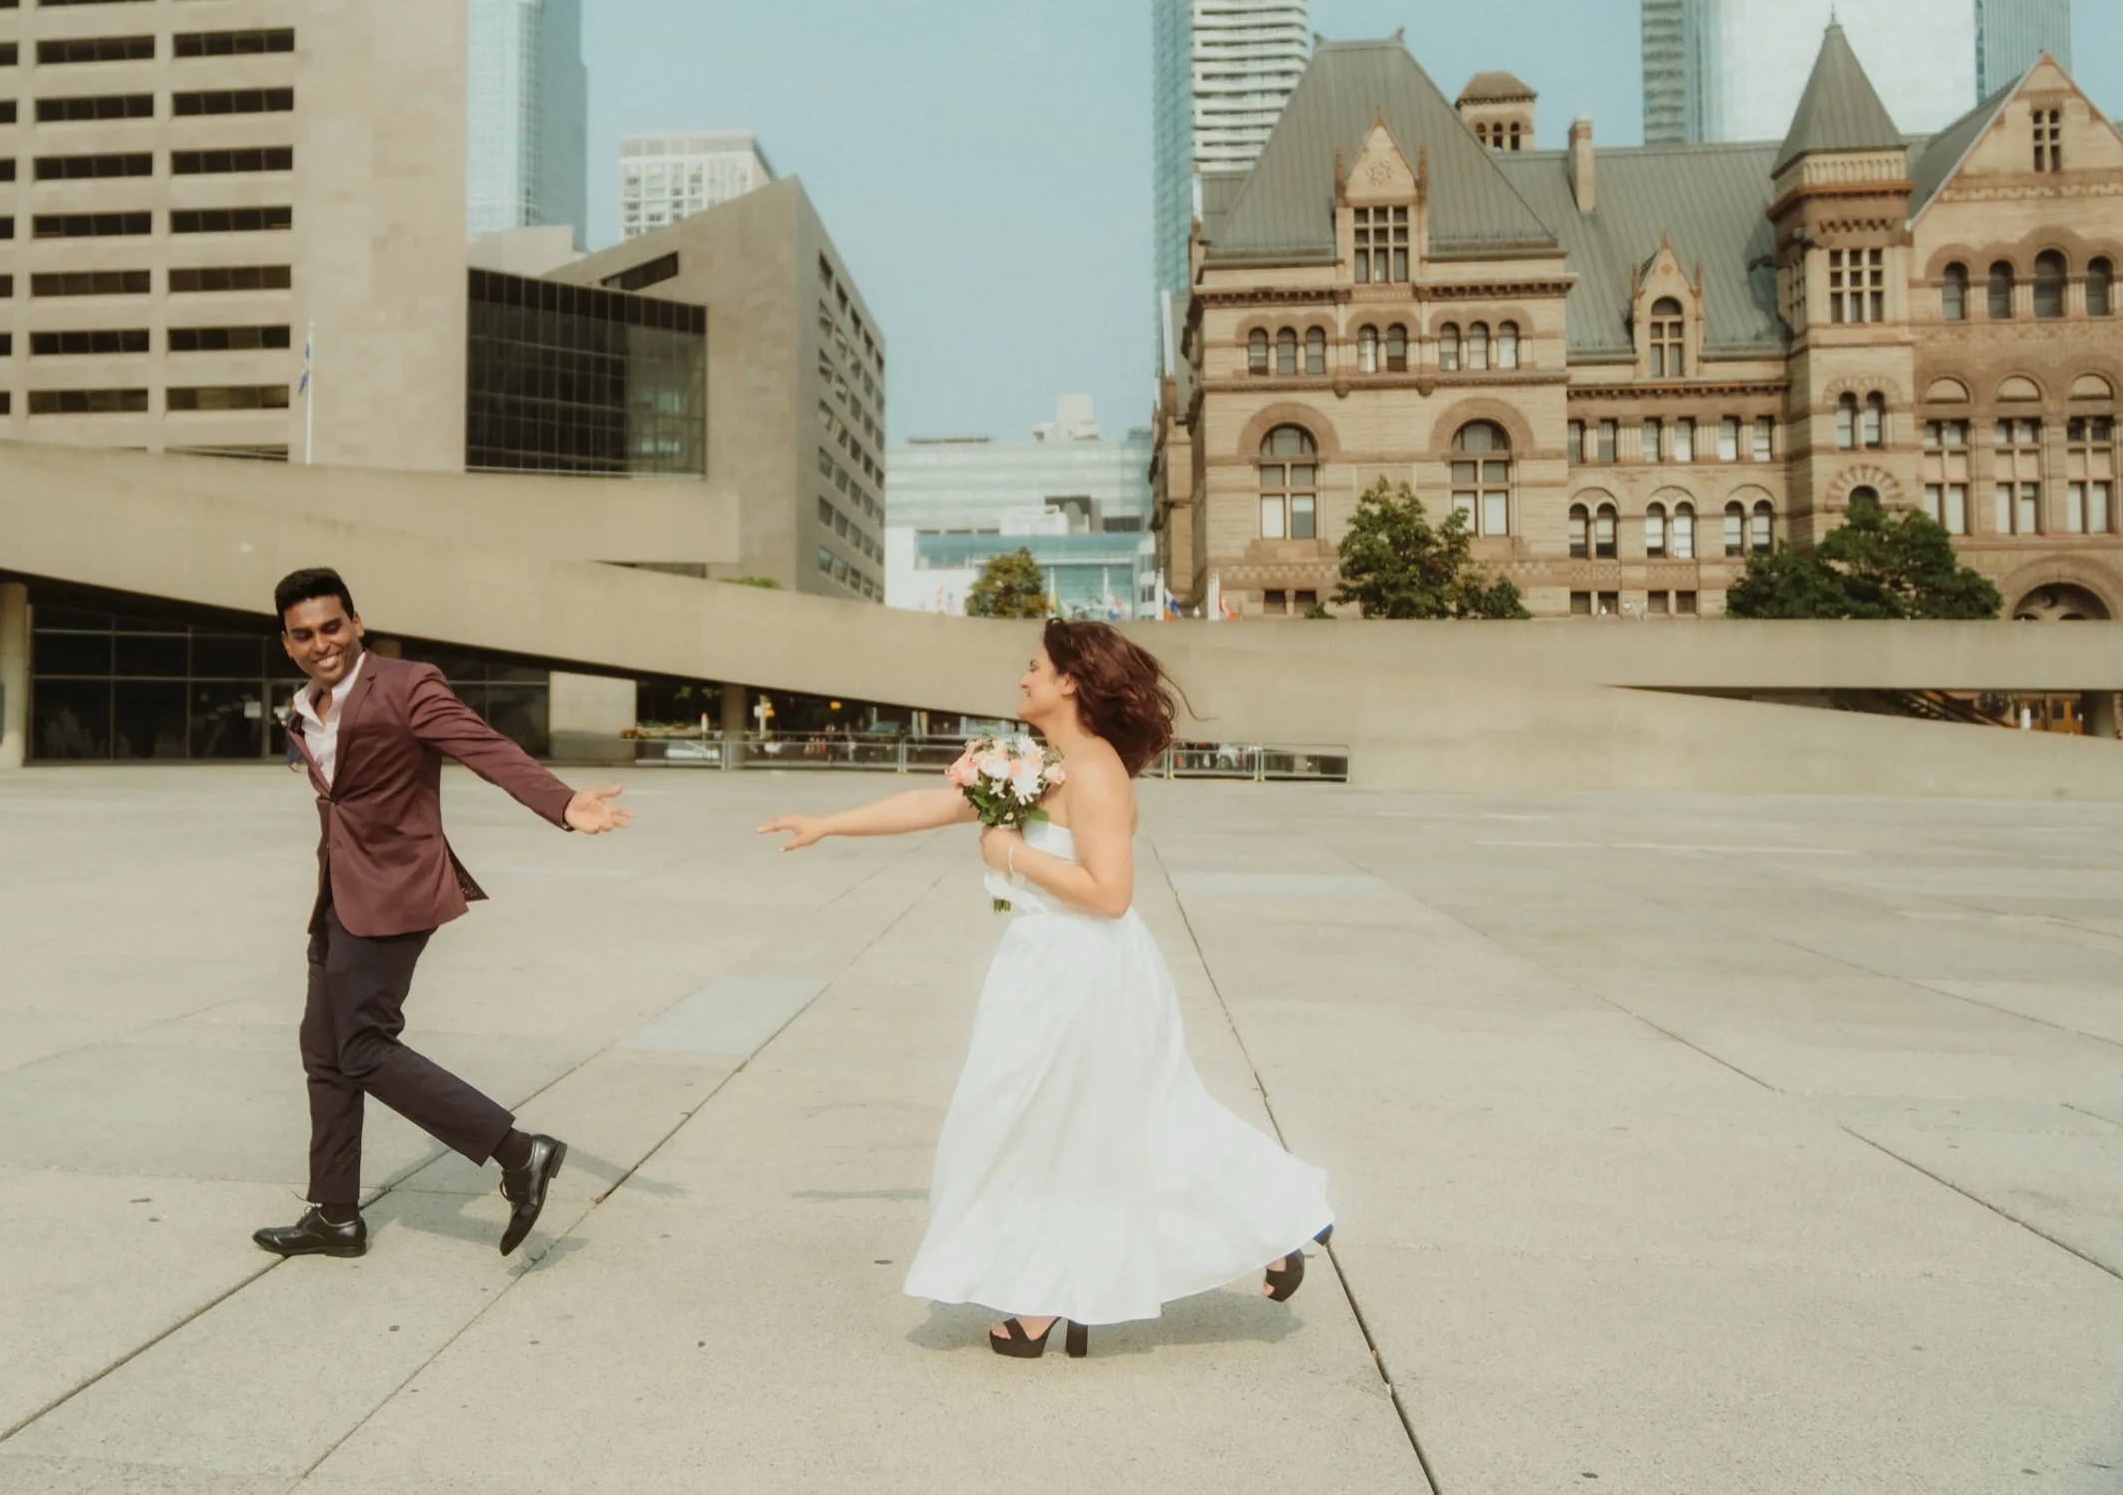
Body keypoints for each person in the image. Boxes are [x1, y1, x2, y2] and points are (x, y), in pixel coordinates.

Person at [758, 619, 1332, 1358]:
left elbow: (1110, 893)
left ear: (1070, 680)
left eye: (1033, 666)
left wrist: (1011, 855)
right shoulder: (1039, 761)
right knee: (1057, 1131)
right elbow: (937, 805)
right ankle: (1073, 1280)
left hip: (1085, 971)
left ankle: (1054, 1292)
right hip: (1042, 967)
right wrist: (829, 824)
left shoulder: (1092, 769)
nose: (1021, 677)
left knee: (1063, 1128)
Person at [252, 567, 634, 1261]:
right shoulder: (306, 705)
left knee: (362, 1047)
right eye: (304, 635)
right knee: (324, 1054)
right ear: (288, 643)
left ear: (357, 624)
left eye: (333, 627)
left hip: (395, 891)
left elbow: (481, 745)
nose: (322, 644)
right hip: (338, 892)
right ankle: (334, 1214)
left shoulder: (405, 684)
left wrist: (562, 802)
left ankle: (518, 1152)